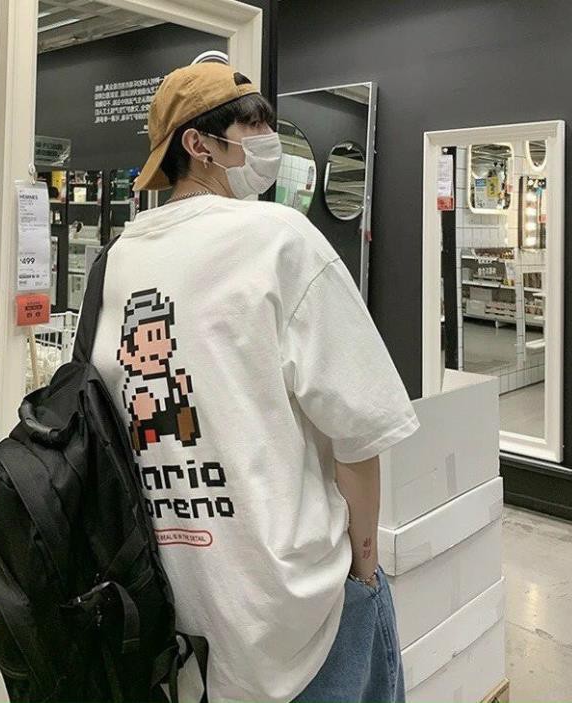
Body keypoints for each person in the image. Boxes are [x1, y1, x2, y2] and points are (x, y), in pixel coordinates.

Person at [90, 63, 420, 703]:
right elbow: (359, 435)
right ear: (198, 143)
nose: (270, 141)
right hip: (300, 610)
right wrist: (365, 568)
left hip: (174, 608)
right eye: (254, 126)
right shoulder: (280, 239)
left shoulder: (119, 258)